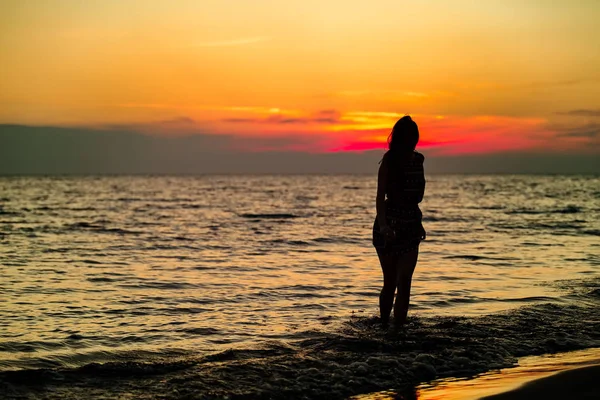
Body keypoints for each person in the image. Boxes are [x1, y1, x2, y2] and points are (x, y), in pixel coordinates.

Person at [373, 115, 426, 328]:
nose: (412, 141)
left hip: (411, 225)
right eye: (409, 137)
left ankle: (399, 331)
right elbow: (380, 197)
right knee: (390, 282)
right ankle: (384, 325)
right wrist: (384, 225)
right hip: (389, 226)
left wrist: (418, 222)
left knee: (405, 283)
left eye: (414, 137)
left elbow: (417, 196)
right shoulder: (389, 161)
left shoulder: (419, 160)